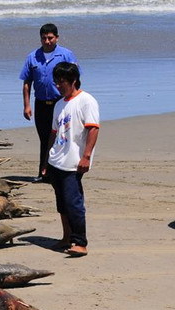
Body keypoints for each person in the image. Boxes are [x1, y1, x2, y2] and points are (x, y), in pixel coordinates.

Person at [45, 62, 99, 257]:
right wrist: (46, 159)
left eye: (62, 82)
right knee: (61, 203)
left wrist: (86, 156)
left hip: (73, 162)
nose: (58, 86)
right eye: (56, 82)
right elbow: (53, 132)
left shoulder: (86, 101)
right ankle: (66, 237)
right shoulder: (60, 104)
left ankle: (80, 242)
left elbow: (93, 129)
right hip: (56, 161)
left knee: (74, 202)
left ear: (73, 80)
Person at [20, 23, 78, 182]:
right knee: (45, 139)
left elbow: (76, 79)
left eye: (50, 38)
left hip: (61, 102)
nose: (47, 41)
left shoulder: (66, 55)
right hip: (41, 104)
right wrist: (26, 105)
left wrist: (73, 101)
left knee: (61, 137)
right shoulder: (32, 57)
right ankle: (43, 173)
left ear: (57, 38)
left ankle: (63, 172)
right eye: (44, 38)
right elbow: (26, 83)